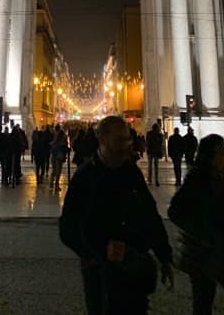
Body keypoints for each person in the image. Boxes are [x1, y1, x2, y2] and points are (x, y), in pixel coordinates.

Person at [60, 115, 174, 315]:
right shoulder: (84, 177)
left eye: (127, 139)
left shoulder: (132, 173)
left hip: (134, 267)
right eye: (119, 140)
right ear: (103, 140)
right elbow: (67, 229)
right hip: (99, 273)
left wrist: (164, 255)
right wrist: (97, 253)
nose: (126, 145)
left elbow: (150, 215)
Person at [169, 134, 224, 314]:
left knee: (214, 300)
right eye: (222, 154)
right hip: (207, 253)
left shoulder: (217, 177)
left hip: (219, 250)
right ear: (210, 156)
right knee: (220, 299)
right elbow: (175, 211)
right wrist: (202, 233)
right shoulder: (197, 179)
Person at [50, 128, 68, 193]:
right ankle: (56, 185)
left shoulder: (54, 142)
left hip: (53, 158)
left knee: (54, 171)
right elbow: (66, 149)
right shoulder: (62, 142)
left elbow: (51, 148)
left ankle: (51, 184)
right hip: (59, 158)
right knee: (58, 172)